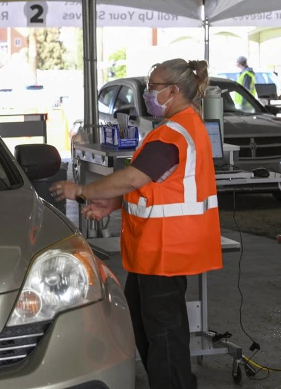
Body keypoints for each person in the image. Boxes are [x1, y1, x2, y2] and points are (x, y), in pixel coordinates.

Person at [50, 59, 222, 389]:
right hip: (157, 249)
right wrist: (111, 203)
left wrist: (82, 190)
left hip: (164, 250)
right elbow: (154, 185)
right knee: (148, 326)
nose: (147, 93)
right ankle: (179, 380)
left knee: (163, 333)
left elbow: (132, 179)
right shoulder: (183, 126)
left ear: (174, 91)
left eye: (153, 87)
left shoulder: (173, 134)